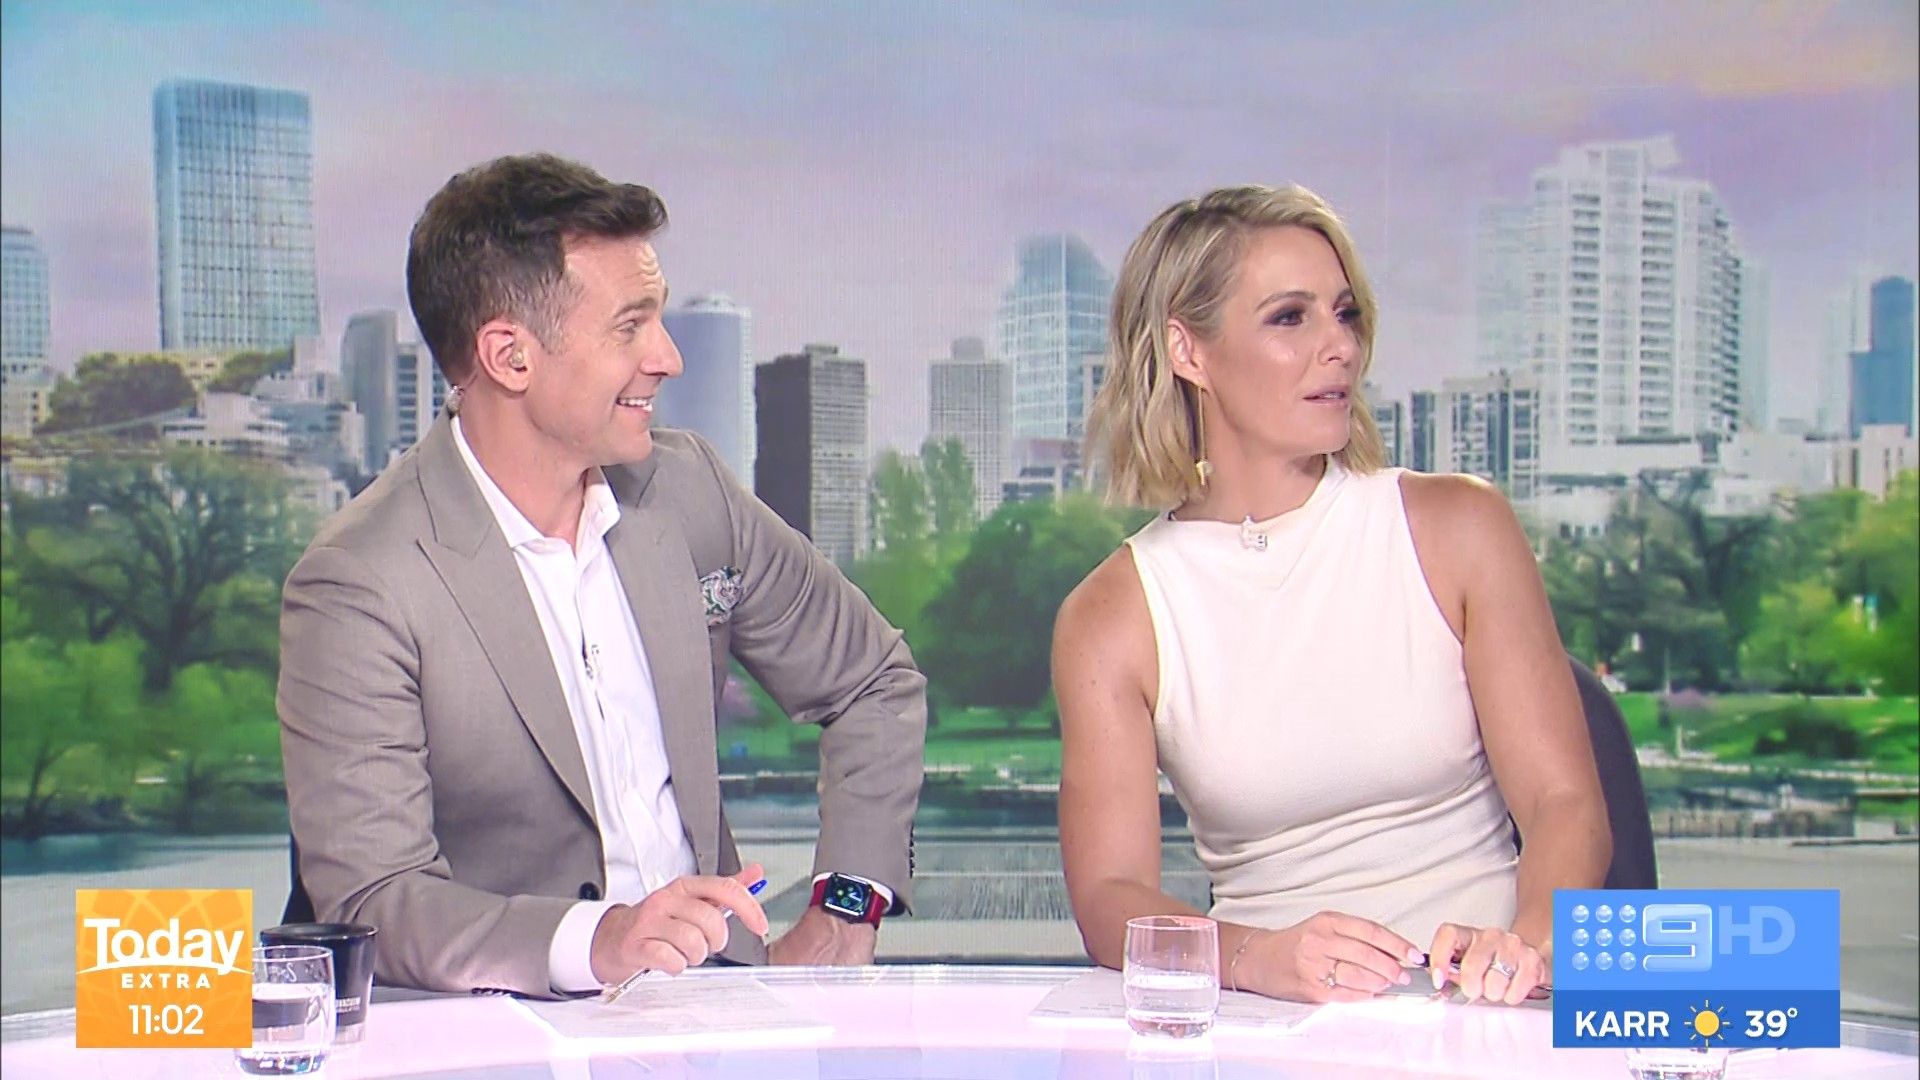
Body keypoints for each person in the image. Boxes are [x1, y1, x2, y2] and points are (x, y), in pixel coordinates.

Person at [277, 153, 927, 997]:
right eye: (630, 327)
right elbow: (377, 898)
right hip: (504, 1032)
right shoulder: (360, 583)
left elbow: (872, 681)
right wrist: (602, 942)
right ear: (510, 356)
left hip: (724, 1017)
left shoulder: (688, 490)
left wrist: (846, 910)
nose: (668, 358)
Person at [1053, 185, 1610, 1006]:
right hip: (1268, 1018)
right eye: (1290, 318)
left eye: (1344, 314)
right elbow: (1110, 898)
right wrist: (1257, 959)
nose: (1340, 346)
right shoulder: (1113, 617)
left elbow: (1565, 802)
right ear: (1188, 351)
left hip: (1486, 1008)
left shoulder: (1459, 527)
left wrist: (1528, 947)